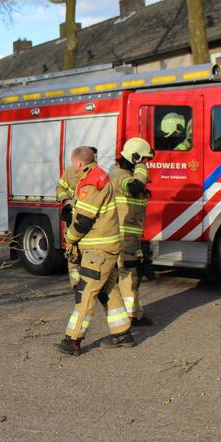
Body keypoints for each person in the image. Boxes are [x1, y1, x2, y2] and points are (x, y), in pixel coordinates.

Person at [55, 146, 132, 356]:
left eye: (73, 163)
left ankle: (72, 340)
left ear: (79, 163)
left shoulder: (91, 182)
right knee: (108, 289)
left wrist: (69, 238)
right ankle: (122, 333)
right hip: (104, 247)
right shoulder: (95, 176)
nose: (72, 167)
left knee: (86, 293)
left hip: (98, 249)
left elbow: (83, 221)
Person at [109, 137, 154, 326]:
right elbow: (134, 187)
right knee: (127, 274)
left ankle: (133, 314)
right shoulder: (120, 174)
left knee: (132, 273)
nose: (146, 164)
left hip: (130, 237)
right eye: (144, 159)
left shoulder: (125, 173)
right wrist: (141, 167)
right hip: (122, 237)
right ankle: (128, 318)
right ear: (135, 157)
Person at [55, 146, 97, 290]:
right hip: (73, 217)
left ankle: (87, 283)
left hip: (88, 219)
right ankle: (75, 283)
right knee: (72, 251)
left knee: (88, 251)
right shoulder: (70, 172)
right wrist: (66, 202)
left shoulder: (97, 175)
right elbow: (60, 188)